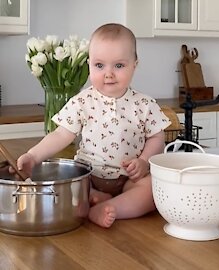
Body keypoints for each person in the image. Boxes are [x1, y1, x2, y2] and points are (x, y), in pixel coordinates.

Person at [15, 23, 171, 227]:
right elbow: (61, 135)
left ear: (135, 65)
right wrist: (34, 156)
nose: (109, 73)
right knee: (68, 187)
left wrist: (143, 161)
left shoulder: (144, 104)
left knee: (153, 190)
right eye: (99, 65)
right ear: (89, 65)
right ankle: (97, 198)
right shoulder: (82, 101)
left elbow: (157, 138)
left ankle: (110, 207)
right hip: (89, 177)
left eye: (119, 65)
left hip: (130, 178)